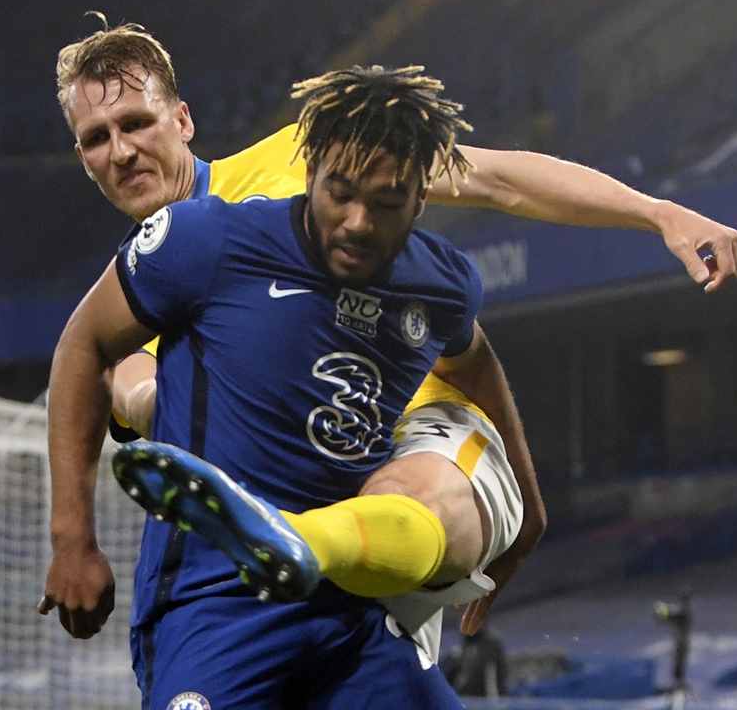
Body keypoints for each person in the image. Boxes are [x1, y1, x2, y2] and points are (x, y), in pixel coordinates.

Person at [38, 20, 737, 656]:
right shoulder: (145, 293)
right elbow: (122, 379)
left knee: (406, 489)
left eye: (136, 123)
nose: (122, 150)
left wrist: (656, 213)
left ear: (182, 119)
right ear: (82, 157)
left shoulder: (304, 156)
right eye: (99, 139)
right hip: (303, 510)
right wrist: (120, 446)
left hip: (422, 435)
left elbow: (497, 179)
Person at [47, 61, 527, 707]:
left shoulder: (440, 284)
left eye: (385, 202)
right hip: (213, 608)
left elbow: (473, 363)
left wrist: (528, 498)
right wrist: (73, 538)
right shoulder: (204, 241)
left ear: (422, 197)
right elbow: (84, 345)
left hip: (355, 612)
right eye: (340, 192)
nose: (358, 221)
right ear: (309, 173)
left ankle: (311, 543)